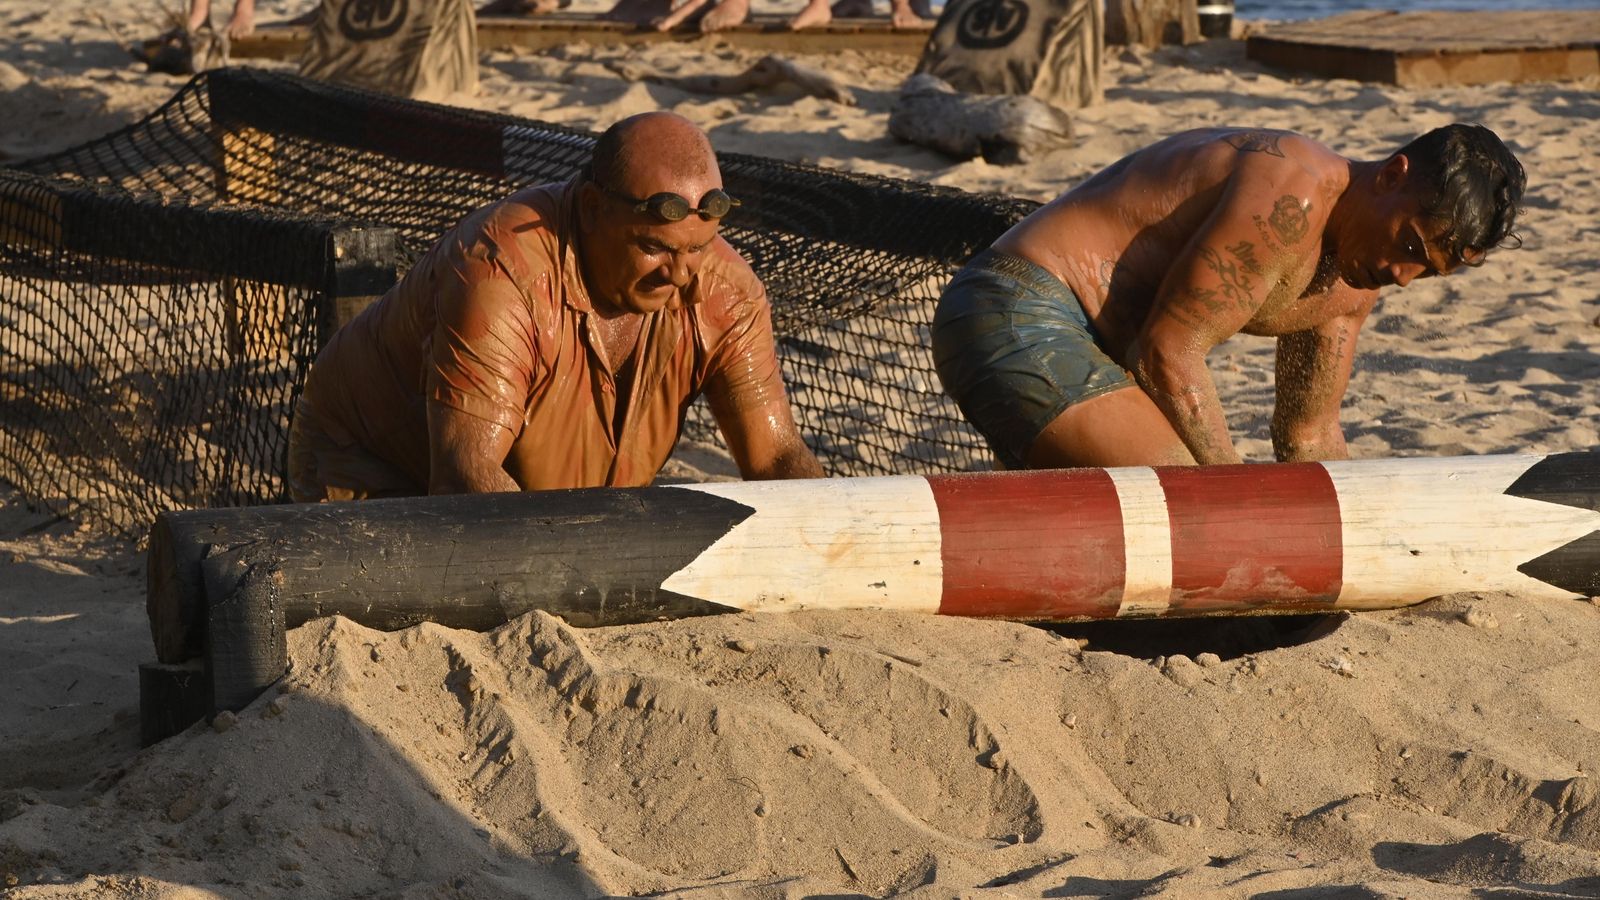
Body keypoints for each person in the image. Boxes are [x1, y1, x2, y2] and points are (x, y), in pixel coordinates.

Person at [288, 111, 824, 501]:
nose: (680, 275)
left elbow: (775, 458)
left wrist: (835, 531)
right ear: (591, 209)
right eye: (654, 247)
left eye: (697, 248)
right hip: (372, 476)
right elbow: (464, 474)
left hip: (562, 492)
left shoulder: (725, 289)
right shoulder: (501, 273)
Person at [931, 124, 1525, 469]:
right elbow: (1168, 351)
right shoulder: (1294, 188)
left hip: (1091, 350)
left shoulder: (1353, 280)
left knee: (1200, 506)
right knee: (1190, 498)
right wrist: (1237, 495)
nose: (1402, 277)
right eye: (1411, 248)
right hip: (1015, 307)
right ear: (1392, 176)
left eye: (1427, 273)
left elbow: (1308, 435)